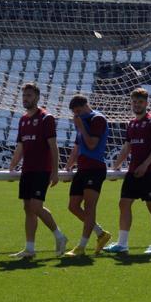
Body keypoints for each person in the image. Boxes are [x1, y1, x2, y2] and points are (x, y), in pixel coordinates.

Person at [8, 82, 67, 259]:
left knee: (35, 206)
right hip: (27, 170)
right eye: (24, 96)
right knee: (28, 208)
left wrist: (55, 171)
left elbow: (53, 146)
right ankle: (29, 248)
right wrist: (11, 166)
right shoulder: (23, 119)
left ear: (37, 97)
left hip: (42, 170)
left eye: (29, 96)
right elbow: (20, 146)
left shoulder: (45, 118)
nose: (26, 99)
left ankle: (59, 236)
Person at [103, 88, 151, 255]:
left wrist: (145, 165)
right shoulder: (131, 123)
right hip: (133, 172)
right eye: (135, 102)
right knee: (123, 204)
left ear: (146, 103)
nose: (137, 105)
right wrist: (115, 166)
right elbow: (127, 147)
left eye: (140, 102)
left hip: (150, 172)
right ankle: (122, 244)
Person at [63, 94, 112, 257]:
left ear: (86, 106)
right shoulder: (81, 121)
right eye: (75, 113)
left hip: (95, 168)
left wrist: (81, 126)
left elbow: (92, 144)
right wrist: (68, 166)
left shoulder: (97, 119)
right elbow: (77, 147)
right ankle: (100, 233)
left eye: (79, 111)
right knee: (73, 206)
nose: (77, 115)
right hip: (82, 169)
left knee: (90, 208)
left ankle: (81, 246)